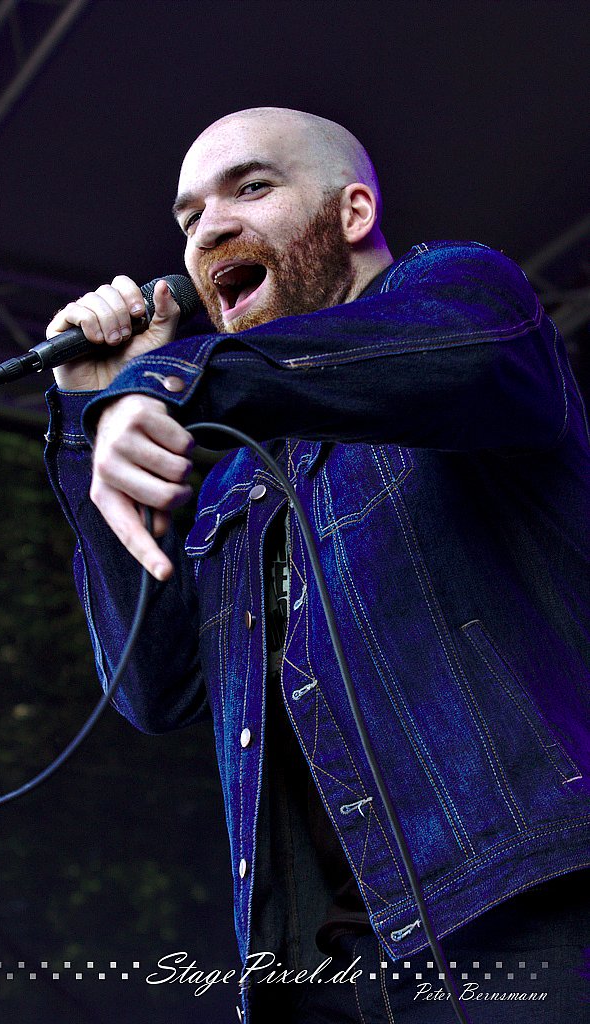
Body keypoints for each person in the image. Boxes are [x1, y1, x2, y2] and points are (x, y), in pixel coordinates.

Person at [44, 108, 590, 1022]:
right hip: (311, 975)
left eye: (252, 188)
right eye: (189, 217)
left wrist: (172, 381)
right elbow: (152, 687)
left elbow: (457, 362)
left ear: (353, 212)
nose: (208, 230)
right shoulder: (235, 483)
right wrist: (90, 414)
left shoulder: (464, 293)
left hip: (518, 919)